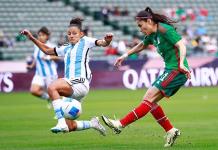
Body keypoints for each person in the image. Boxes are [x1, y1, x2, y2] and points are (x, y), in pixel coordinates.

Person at [102, 7, 191, 147]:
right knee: (149, 101)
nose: (140, 29)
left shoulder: (164, 29)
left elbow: (181, 45)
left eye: (140, 25)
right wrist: (125, 55)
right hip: (170, 70)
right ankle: (171, 130)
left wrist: (181, 63)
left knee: (148, 98)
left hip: (177, 70)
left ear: (149, 21)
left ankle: (120, 124)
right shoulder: (152, 34)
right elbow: (142, 45)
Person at [21, 17, 113, 135]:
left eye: (74, 33)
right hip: (71, 86)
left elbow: (102, 43)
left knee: (52, 87)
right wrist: (31, 38)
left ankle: (60, 122)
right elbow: (47, 50)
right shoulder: (66, 47)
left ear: (81, 34)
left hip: (79, 83)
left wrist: (107, 41)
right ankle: (93, 124)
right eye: (69, 33)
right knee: (70, 127)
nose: (71, 35)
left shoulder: (85, 41)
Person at [26, 27, 58, 108]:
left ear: (47, 36)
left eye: (43, 35)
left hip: (50, 74)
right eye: (39, 35)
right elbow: (36, 58)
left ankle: (60, 114)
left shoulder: (51, 46)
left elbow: (58, 58)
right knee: (34, 91)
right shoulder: (36, 45)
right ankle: (48, 98)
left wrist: (48, 57)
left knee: (54, 95)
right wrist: (32, 65)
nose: (40, 37)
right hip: (39, 74)